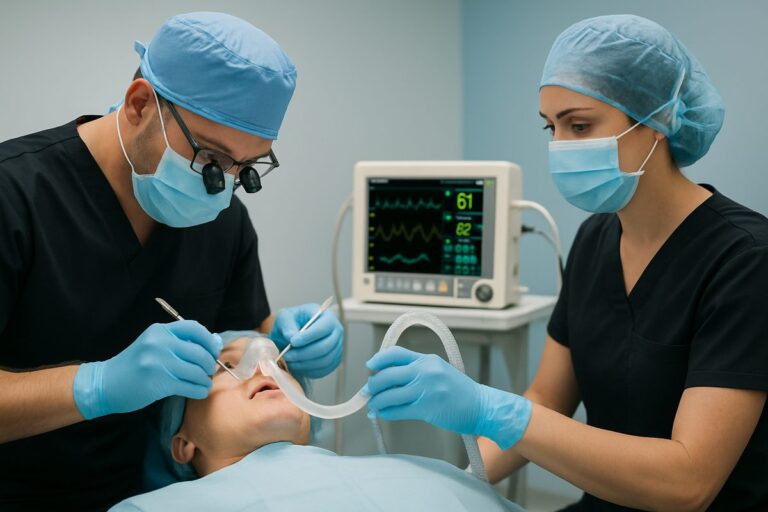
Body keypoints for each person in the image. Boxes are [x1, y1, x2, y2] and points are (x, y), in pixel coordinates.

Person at [364, 14, 767, 511]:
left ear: (658, 120)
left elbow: (689, 481)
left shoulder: (745, 259)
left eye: (580, 125)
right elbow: (547, 399)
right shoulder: (595, 239)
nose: (560, 146)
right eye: (551, 126)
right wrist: (449, 483)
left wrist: (495, 410)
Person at [0, 12, 343, 511]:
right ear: (140, 104)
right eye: (210, 159)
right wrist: (95, 386)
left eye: (245, 168)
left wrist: (285, 340)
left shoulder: (223, 222)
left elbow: (242, 337)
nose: (222, 185)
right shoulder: (14, 197)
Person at [109, 335, 523, 512]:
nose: (263, 368)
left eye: (281, 364)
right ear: (182, 443)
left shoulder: (428, 473)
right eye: (227, 366)